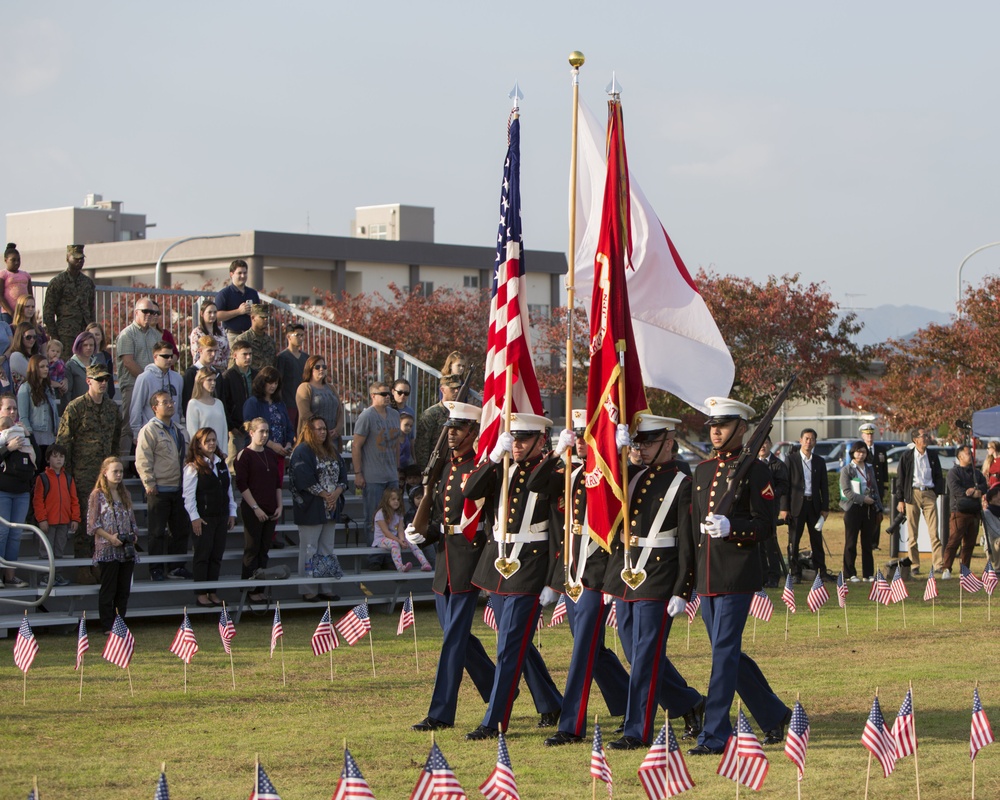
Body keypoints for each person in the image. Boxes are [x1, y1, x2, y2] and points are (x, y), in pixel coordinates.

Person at [688, 396, 790, 756]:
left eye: (724, 425)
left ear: (742, 428)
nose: (716, 431)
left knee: (723, 654)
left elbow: (764, 526)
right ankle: (775, 716)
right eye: (712, 425)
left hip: (737, 574)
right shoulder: (701, 471)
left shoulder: (756, 471)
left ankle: (716, 734)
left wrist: (733, 526)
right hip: (707, 576)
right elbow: (691, 532)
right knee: (725, 653)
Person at [527, 409, 631, 747]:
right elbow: (534, 483)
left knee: (583, 651)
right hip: (571, 574)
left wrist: (621, 454)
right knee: (592, 650)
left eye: (590, 434)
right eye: (579, 435)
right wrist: (557, 452)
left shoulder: (614, 473)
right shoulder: (568, 473)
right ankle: (673, 701)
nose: (584, 442)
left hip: (598, 575)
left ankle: (570, 725)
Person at [602, 413, 704, 751]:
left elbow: (688, 542)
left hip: (660, 576)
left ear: (668, 441)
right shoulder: (629, 476)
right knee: (635, 651)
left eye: (647, 442)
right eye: (637, 442)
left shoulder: (682, 483)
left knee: (645, 654)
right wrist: (615, 454)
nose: (640, 448)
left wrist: (682, 589)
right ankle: (688, 703)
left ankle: (637, 729)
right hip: (627, 574)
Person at [462, 412, 564, 741]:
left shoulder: (551, 471)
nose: (516, 445)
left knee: (508, 645)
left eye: (523, 439)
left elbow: (558, 531)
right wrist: (492, 458)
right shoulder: (501, 467)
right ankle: (551, 702)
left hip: (532, 565)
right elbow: (471, 492)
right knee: (515, 642)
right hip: (499, 563)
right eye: (514, 438)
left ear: (540, 440)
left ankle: (495, 720)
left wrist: (554, 579)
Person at [405, 401, 496, 733]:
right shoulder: (445, 467)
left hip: (469, 557)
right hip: (444, 556)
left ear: (473, 432)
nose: (451, 434)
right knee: (454, 635)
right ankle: (499, 687)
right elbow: (441, 516)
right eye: (449, 428)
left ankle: (441, 712)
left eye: (458, 429)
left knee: (453, 641)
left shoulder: (481, 467)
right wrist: (421, 532)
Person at [55, 364, 122, 585]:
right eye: (99, 379)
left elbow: (115, 440)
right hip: (83, 475)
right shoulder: (75, 407)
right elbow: (63, 443)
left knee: (103, 521)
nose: (103, 383)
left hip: (105, 476)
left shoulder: (113, 408)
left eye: (106, 379)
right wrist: (68, 475)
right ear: (88, 380)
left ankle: (99, 564)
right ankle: (83, 566)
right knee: (87, 521)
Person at [289, 415, 346, 602]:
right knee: (309, 548)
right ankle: (309, 589)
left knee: (327, 548)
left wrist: (335, 494)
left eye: (324, 428)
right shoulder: (302, 451)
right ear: (309, 431)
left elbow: (343, 477)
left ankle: (326, 587)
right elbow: (302, 477)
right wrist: (324, 494)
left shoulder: (331, 451)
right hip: (311, 507)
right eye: (318, 429)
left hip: (331, 507)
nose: (322, 432)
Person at [135, 391, 191, 582]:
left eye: (171, 401)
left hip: (179, 488)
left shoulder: (179, 429)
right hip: (158, 489)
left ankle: (176, 567)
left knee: (180, 531)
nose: (170, 405)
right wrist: (149, 482)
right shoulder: (149, 430)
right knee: (157, 532)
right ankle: (156, 569)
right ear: (154, 408)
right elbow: (143, 459)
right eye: (164, 402)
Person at [183, 427, 237, 607]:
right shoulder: (193, 467)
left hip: (221, 517)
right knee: (202, 555)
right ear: (199, 444)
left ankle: (212, 591)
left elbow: (228, 490)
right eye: (207, 441)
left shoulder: (221, 463)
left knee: (216, 555)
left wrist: (232, 512)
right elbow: (188, 496)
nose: (212, 443)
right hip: (204, 518)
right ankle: (201, 593)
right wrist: (194, 518)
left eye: (214, 440)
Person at [352, 381, 402, 565]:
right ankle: (374, 557)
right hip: (373, 476)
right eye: (383, 394)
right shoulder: (367, 416)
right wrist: (358, 473)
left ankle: (391, 555)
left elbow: (397, 443)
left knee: (393, 517)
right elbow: (356, 445)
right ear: (373, 396)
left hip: (391, 475)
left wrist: (397, 468)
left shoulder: (395, 415)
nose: (387, 396)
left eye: (388, 393)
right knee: (374, 517)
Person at [87, 457, 139, 634]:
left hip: (125, 548)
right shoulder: (97, 495)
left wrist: (133, 535)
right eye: (115, 471)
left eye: (120, 471)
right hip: (107, 548)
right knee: (109, 589)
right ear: (105, 473)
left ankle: (120, 622)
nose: (118, 475)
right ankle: (107, 625)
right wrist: (110, 538)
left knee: (123, 589)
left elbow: (132, 519)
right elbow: (92, 525)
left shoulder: (125, 494)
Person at [233, 417, 282, 602]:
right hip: (253, 509)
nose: (264, 435)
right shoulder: (244, 455)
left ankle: (260, 588)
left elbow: (277, 482)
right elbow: (242, 485)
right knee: (252, 549)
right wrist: (255, 508)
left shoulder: (270, 454)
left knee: (264, 550)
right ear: (251, 433)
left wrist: (279, 505)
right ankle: (249, 589)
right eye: (261, 431)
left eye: (267, 431)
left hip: (270, 508)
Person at [893, 427, 945, 576]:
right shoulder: (907, 456)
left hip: (929, 493)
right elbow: (901, 479)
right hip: (912, 494)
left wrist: (936, 493)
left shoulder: (933, 455)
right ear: (915, 439)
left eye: (927, 435)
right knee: (912, 532)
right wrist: (900, 499)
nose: (927, 438)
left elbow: (938, 475)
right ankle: (914, 564)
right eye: (924, 436)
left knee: (934, 532)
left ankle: (938, 564)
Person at [116, 299, 164, 454]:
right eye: (146, 311)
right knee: (129, 424)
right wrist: (147, 379)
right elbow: (128, 362)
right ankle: (123, 465)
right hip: (132, 384)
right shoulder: (127, 334)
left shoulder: (156, 335)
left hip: (154, 386)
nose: (150, 315)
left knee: (153, 424)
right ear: (136, 312)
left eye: (153, 312)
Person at [786, 428, 833, 582]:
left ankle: (821, 572)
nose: (809, 441)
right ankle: (795, 573)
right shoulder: (791, 459)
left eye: (812, 439)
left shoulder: (819, 461)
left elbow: (823, 487)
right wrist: (783, 508)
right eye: (806, 438)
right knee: (794, 541)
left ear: (815, 442)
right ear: (800, 440)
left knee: (817, 540)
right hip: (796, 507)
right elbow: (785, 485)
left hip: (814, 505)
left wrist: (825, 508)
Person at [32, 444, 80, 587]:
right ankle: (45, 576)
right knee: (46, 551)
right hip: (48, 522)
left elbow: (74, 499)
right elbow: (38, 501)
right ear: (48, 459)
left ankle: (57, 574)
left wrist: (75, 518)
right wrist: (42, 519)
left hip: (64, 521)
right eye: (55, 456)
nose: (58, 459)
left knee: (59, 550)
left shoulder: (69, 478)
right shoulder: (42, 478)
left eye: (61, 457)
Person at [0, 413, 35, 587]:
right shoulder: (3, 437)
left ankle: (10, 576)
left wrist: (28, 435)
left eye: (14, 408)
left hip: (22, 492)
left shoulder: (20, 432)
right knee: (2, 533)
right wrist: (8, 447)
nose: (11, 412)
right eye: (7, 408)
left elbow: (38, 458)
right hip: (3, 492)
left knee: (15, 534)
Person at [943, 444, 988, 578]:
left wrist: (974, 491)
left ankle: (965, 569)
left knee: (969, 544)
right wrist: (970, 492)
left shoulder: (976, 473)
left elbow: (983, 486)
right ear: (960, 456)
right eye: (968, 454)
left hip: (974, 512)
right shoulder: (954, 472)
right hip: (959, 511)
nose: (971, 456)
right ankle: (946, 568)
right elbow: (956, 489)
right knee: (954, 541)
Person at [839, 440, 881, 582]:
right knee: (851, 542)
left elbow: (875, 488)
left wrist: (879, 508)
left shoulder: (869, 469)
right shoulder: (847, 470)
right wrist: (863, 499)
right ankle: (850, 573)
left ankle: (868, 574)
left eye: (863, 452)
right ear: (853, 453)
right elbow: (846, 492)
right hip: (853, 508)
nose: (861, 455)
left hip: (869, 509)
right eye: (858, 452)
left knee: (867, 543)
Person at [41, 244, 95, 355]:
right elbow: (48, 312)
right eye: (76, 258)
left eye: (82, 259)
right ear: (67, 258)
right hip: (65, 334)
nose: (79, 261)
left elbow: (91, 309)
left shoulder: (88, 283)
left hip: (84, 332)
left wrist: (91, 331)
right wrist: (55, 336)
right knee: (67, 366)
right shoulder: (58, 282)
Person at [130, 341, 184, 439]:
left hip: (173, 432)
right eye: (165, 356)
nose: (169, 359)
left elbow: (179, 407)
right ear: (155, 357)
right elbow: (136, 407)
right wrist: (136, 433)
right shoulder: (144, 378)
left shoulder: (178, 378)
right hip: (151, 433)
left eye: (171, 356)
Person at [242, 366, 294, 463]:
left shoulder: (280, 403)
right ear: (262, 382)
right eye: (270, 382)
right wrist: (272, 445)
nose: (273, 386)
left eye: (276, 383)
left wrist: (288, 444)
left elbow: (289, 428)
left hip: (279, 454)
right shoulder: (252, 403)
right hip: (259, 454)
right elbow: (250, 428)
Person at [374, 487, 432, 572]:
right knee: (395, 544)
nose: (396, 501)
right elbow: (386, 532)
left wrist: (402, 540)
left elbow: (400, 529)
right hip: (381, 539)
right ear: (386, 500)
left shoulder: (398, 513)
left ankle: (425, 563)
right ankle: (400, 566)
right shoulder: (380, 514)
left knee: (411, 542)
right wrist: (399, 541)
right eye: (393, 499)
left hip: (395, 537)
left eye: (398, 499)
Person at [16, 354, 60, 466]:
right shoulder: (25, 388)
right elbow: (23, 416)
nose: (46, 369)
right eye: (42, 366)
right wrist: (30, 437)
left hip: (50, 437)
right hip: (36, 437)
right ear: (34, 368)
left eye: (47, 366)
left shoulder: (48, 388)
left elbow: (53, 413)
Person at [758, 435, 789, 587]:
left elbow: (784, 486)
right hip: (755, 508)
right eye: (760, 444)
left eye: (765, 443)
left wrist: (771, 494)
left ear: (770, 444)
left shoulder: (778, 464)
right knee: (758, 544)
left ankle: (774, 577)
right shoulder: (752, 464)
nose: (762, 447)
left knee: (770, 543)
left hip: (770, 508)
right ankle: (762, 576)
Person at [415, 374, 462, 470]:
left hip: (456, 465)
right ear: (443, 390)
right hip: (436, 466)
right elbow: (422, 446)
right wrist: (424, 470)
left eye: (458, 388)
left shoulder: (461, 413)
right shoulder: (431, 414)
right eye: (452, 389)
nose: (457, 391)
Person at [220, 340, 256, 464]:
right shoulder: (227, 377)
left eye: (250, 354)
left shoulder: (257, 375)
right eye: (244, 354)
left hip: (255, 426)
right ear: (235, 355)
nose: (248, 357)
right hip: (237, 428)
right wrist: (232, 427)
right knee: (235, 462)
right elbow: (225, 403)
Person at [294, 354, 343, 445]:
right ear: (310, 369)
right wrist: (321, 429)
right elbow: (305, 413)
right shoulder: (304, 387)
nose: (321, 369)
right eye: (317, 367)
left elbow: (340, 411)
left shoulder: (331, 388)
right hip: (312, 438)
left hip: (332, 440)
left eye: (324, 367)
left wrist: (337, 430)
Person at [215, 259, 260, 348]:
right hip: (233, 336)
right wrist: (239, 311)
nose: (243, 276)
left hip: (251, 335)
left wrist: (253, 312)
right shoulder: (224, 294)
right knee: (235, 361)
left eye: (245, 273)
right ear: (231, 274)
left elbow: (259, 313)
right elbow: (217, 316)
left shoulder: (253, 293)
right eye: (239, 273)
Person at [859, 422, 889, 549]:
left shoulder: (881, 450)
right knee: (864, 515)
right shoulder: (859, 450)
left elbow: (884, 470)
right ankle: (865, 541)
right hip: (864, 487)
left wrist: (885, 487)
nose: (869, 437)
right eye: (867, 434)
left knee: (877, 515)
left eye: (871, 434)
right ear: (862, 436)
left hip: (877, 488)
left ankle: (874, 543)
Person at [186, 369, 228, 457]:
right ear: (200, 381)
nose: (213, 383)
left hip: (219, 452)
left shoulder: (218, 403)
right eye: (209, 380)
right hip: (202, 453)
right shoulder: (193, 404)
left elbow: (224, 429)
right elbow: (192, 432)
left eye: (214, 380)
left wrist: (224, 452)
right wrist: (197, 453)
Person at [275, 323, 308, 431]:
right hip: (288, 403)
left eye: (302, 335)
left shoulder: (306, 357)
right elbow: (279, 381)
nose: (301, 338)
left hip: (304, 403)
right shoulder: (282, 357)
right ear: (289, 336)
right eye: (297, 335)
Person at [189, 300, 230, 373]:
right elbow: (196, 355)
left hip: (222, 370)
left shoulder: (221, 330)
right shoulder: (197, 332)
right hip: (206, 371)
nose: (213, 315)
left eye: (215, 312)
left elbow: (227, 352)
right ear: (202, 314)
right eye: (210, 312)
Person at [182, 336, 220, 413]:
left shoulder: (217, 372)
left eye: (215, 351)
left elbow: (222, 397)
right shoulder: (191, 373)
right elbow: (187, 399)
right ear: (200, 351)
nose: (213, 354)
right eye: (209, 351)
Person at [233, 303, 277, 371]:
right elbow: (233, 365)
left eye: (267, 318)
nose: (266, 320)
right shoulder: (242, 339)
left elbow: (274, 365)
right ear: (253, 317)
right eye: (262, 317)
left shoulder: (270, 342)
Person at [0, 243, 30, 323]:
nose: (16, 262)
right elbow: (0, 296)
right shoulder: (3, 274)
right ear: (6, 260)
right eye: (13, 260)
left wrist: (30, 309)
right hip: (8, 313)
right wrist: (11, 312)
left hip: (24, 312)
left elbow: (30, 295)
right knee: (11, 334)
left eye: (18, 260)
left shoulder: (26, 275)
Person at [86, 323, 115, 399]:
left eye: (97, 334)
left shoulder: (107, 356)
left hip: (104, 397)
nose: (94, 337)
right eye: (91, 335)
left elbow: (110, 378)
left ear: (102, 337)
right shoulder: (83, 356)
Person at [66, 331, 98, 402]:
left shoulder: (97, 365)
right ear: (78, 346)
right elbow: (67, 393)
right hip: (78, 408)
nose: (89, 348)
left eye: (91, 345)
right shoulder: (70, 366)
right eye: (85, 345)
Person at [7, 322, 38, 389]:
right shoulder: (16, 356)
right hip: (25, 394)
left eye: (34, 337)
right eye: (28, 337)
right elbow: (34, 376)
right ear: (20, 337)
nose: (32, 340)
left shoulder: (37, 355)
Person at [45, 338, 68, 407]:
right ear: (47, 351)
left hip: (58, 387)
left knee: (58, 403)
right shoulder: (46, 363)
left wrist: (57, 363)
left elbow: (62, 371)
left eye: (58, 352)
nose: (55, 353)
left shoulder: (60, 362)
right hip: (49, 386)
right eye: (53, 351)